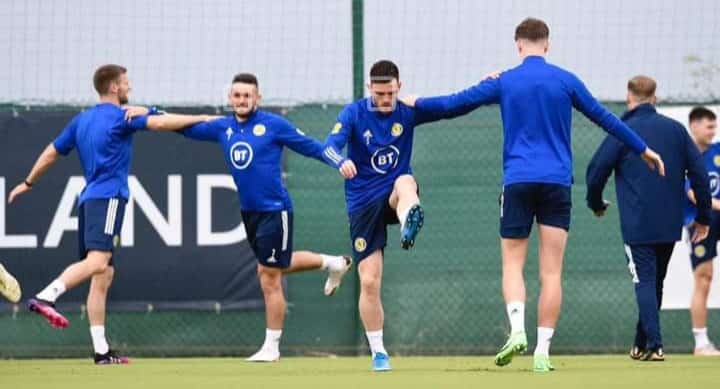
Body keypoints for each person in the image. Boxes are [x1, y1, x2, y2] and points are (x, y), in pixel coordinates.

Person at [401, 18, 665, 372]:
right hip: (557, 184)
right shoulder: (566, 80)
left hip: (518, 182)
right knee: (551, 272)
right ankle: (542, 351)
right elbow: (607, 119)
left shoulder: (505, 80)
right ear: (548, 44)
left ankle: (515, 330)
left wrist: (415, 101)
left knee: (513, 264)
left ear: (518, 45)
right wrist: (643, 149)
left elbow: (453, 105)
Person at [7, 64, 212, 364]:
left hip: (89, 200)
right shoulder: (123, 117)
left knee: (103, 273)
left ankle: (101, 351)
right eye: (126, 83)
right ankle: (45, 296)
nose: (130, 87)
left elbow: (51, 152)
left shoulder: (82, 120)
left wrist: (28, 182)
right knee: (98, 262)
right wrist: (202, 117)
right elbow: (162, 124)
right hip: (109, 197)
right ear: (114, 87)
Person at [176, 73, 352, 363]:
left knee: (268, 275)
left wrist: (339, 161)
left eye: (248, 95)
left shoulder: (274, 125)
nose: (242, 100)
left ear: (258, 98)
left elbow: (312, 147)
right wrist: (148, 116)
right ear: (230, 98)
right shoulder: (223, 127)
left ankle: (272, 347)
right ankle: (334, 262)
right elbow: (183, 128)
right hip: (250, 212)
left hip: (275, 210)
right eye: (237, 95)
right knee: (274, 267)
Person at [323, 59, 461, 371]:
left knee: (405, 181)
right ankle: (379, 353)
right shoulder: (354, 113)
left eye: (391, 93)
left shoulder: (408, 110)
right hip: (362, 203)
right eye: (380, 94)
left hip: (393, 193)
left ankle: (408, 220)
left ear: (400, 86)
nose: (386, 100)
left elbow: (453, 105)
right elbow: (329, 146)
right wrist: (339, 162)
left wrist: (489, 86)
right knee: (369, 282)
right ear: (369, 88)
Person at [586, 76, 711, 361]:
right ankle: (641, 343)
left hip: (637, 222)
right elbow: (700, 176)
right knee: (656, 282)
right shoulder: (676, 131)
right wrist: (703, 216)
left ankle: (655, 344)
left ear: (629, 97)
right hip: (669, 221)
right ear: (655, 98)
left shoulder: (623, 131)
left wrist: (595, 203)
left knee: (645, 280)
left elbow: (596, 171)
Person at [683, 106, 720, 356]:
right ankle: (701, 343)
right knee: (703, 277)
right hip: (700, 222)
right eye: (709, 126)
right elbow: (691, 193)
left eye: (715, 127)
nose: (713, 131)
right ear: (694, 126)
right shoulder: (684, 154)